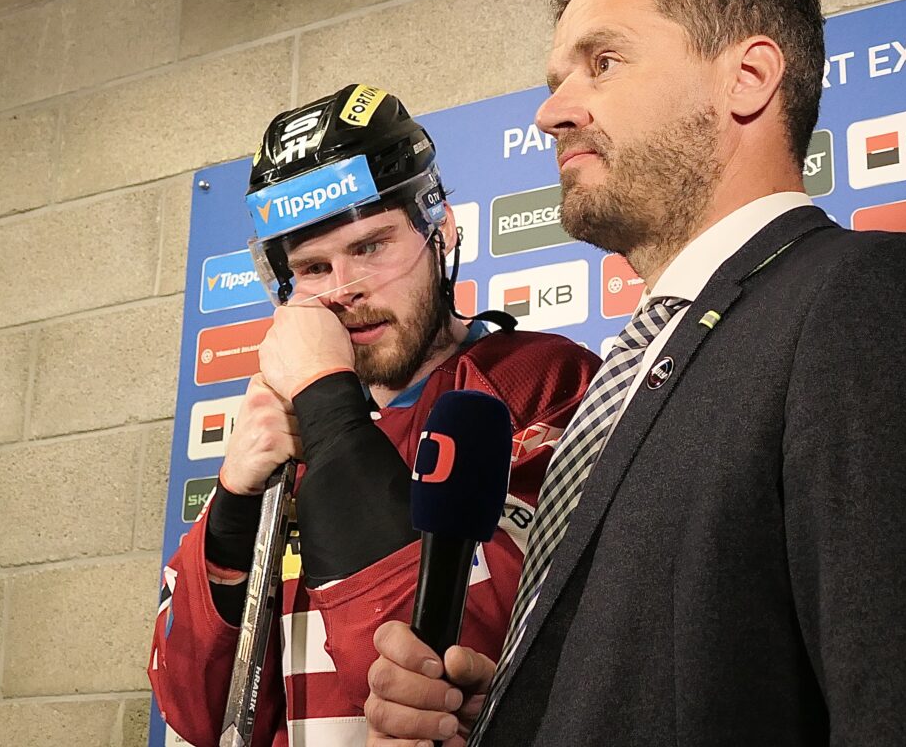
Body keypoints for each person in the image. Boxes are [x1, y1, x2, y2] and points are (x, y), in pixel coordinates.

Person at [362, 0, 906, 746]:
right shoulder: (649, 358)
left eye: (603, 63)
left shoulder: (876, 303)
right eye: (556, 82)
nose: (551, 113)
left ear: (749, 78)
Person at [149, 85, 599, 747]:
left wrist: (326, 401)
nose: (344, 290)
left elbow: (450, 661)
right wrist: (234, 507)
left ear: (441, 231)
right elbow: (197, 713)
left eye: (370, 247)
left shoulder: (545, 382)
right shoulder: (288, 439)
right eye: (313, 267)